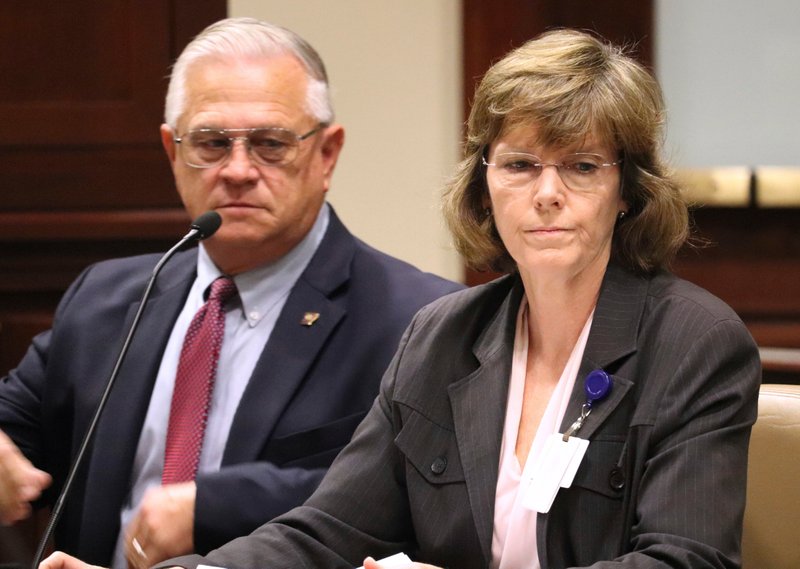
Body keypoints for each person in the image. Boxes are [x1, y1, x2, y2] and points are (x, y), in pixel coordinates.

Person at [42, 27, 761, 569]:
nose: (546, 195)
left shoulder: (692, 342)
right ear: (485, 184)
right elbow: (325, 531)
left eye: (580, 166)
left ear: (626, 190)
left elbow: (682, 559)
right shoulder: (443, 335)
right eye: (518, 164)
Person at [0, 17, 462, 569]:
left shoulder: (418, 320)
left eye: (271, 144)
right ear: (173, 151)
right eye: (212, 143)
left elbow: (416, 497)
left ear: (327, 155)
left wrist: (215, 504)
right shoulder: (105, 298)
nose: (238, 170)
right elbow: (16, 424)